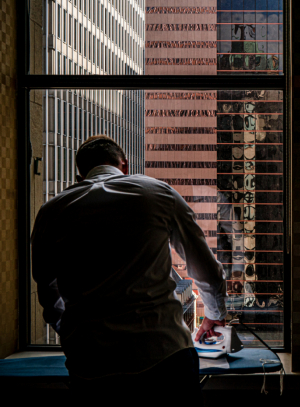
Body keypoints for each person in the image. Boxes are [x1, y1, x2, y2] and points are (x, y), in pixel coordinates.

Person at [31, 135, 227, 405]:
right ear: (124, 166)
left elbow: (47, 290)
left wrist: (73, 331)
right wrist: (214, 315)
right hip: (163, 354)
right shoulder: (157, 193)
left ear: (80, 175)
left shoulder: (51, 212)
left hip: (92, 365)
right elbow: (207, 270)